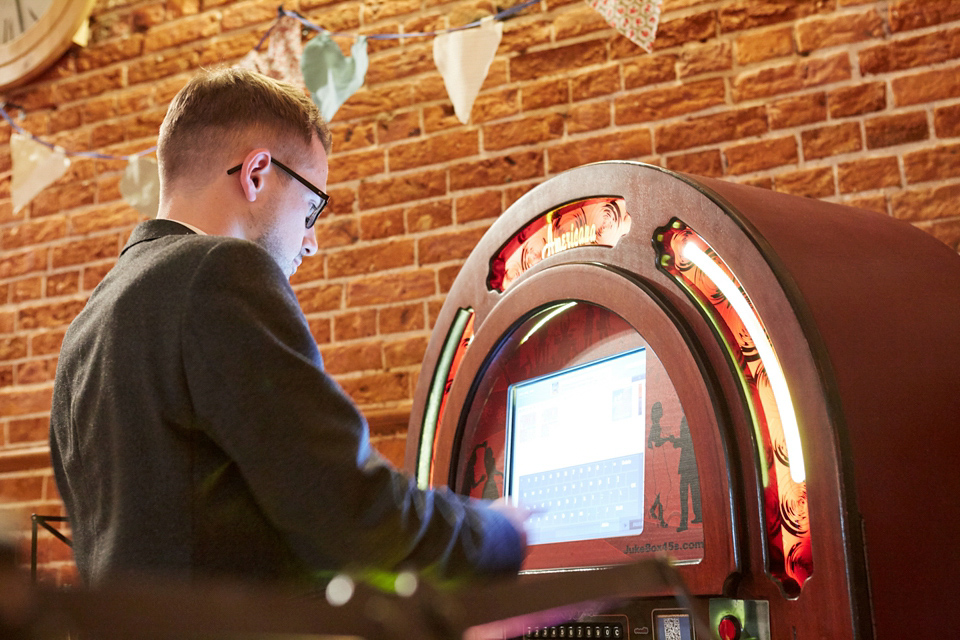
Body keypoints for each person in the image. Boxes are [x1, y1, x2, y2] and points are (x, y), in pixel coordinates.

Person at [49, 68, 527, 588]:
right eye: (312, 206)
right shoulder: (219, 272)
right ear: (256, 172)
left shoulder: (88, 323)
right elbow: (350, 513)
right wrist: (498, 532)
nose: (310, 241)